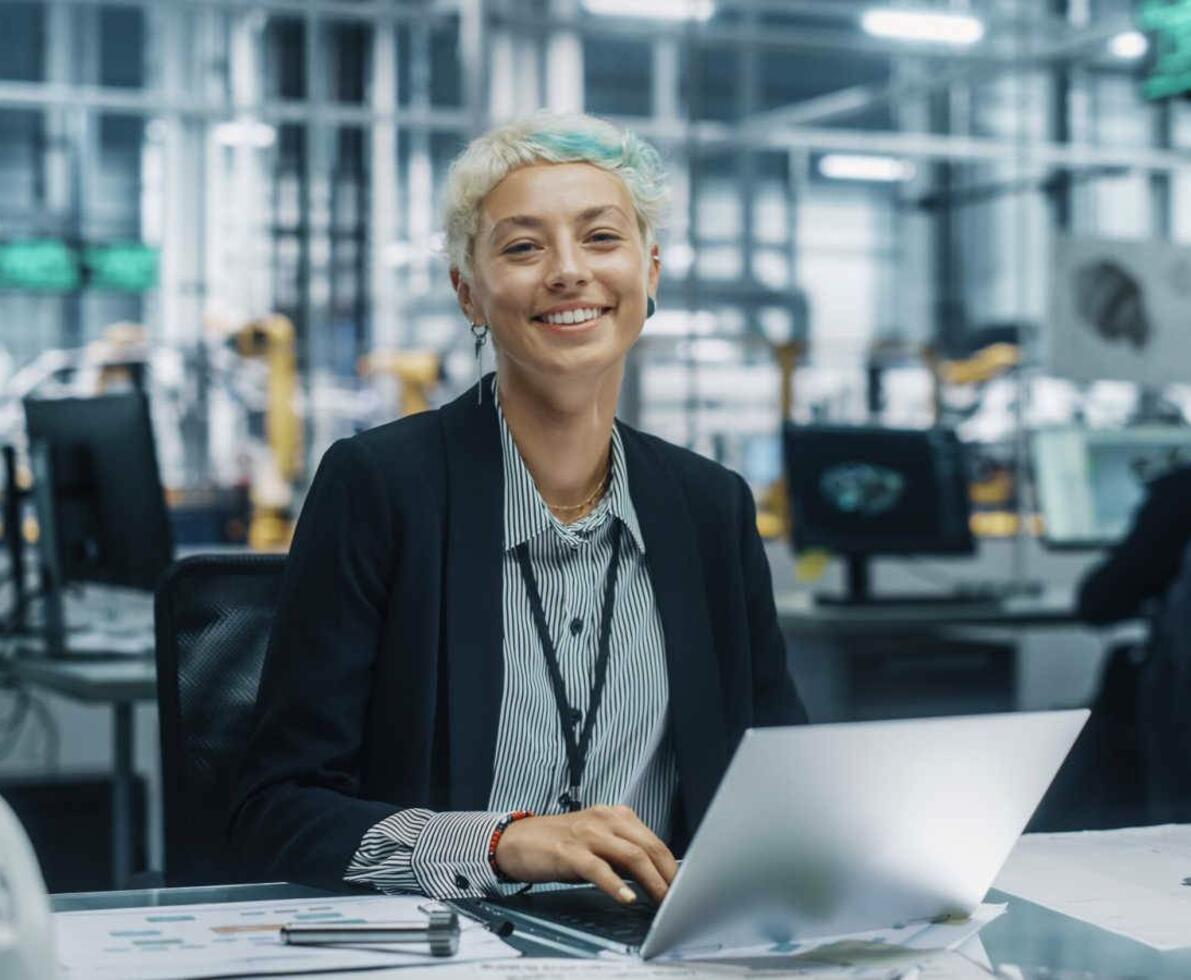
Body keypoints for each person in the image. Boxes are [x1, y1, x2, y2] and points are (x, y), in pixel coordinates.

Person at [230, 111, 806, 905]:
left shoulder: (709, 507)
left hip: (663, 947)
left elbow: (779, 777)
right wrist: (501, 843)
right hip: (449, 948)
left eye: (601, 238)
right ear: (467, 291)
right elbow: (278, 812)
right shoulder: (381, 487)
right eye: (523, 247)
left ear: (651, 273)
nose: (568, 272)